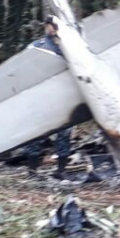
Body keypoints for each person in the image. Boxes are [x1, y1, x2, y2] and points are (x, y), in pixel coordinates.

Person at [25, 17, 74, 178]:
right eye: (50, 25)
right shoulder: (37, 47)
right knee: (37, 133)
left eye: (55, 26)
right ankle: (32, 170)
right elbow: (24, 67)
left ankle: (61, 170)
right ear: (46, 27)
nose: (52, 29)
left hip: (62, 96)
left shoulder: (69, 48)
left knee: (65, 132)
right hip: (42, 96)